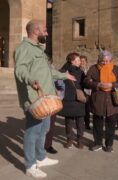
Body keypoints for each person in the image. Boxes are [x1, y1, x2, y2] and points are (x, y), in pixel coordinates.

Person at [14, 19, 75, 178]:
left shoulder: (39, 49)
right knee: (32, 132)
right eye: (45, 30)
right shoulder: (24, 48)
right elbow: (20, 70)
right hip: (34, 99)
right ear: (36, 31)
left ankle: (40, 157)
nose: (47, 33)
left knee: (44, 129)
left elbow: (48, 71)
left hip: (47, 97)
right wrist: (29, 80)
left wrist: (64, 75)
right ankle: (30, 165)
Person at [84, 50, 118, 152]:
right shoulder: (94, 68)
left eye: (107, 61)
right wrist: (98, 84)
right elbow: (87, 81)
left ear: (110, 60)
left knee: (111, 124)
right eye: (103, 61)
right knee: (97, 123)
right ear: (100, 60)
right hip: (98, 99)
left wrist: (112, 85)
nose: (105, 63)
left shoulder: (116, 69)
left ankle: (109, 144)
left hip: (112, 101)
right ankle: (97, 143)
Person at [59, 52, 86, 149]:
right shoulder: (63, 71)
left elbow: (84, 83)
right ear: (72, 61)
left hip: (78, 98)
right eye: (78, 60)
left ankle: (80, 140)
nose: (80, 62)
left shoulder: (81, 71)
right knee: (69, 121)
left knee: (80, 121)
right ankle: (69, 140)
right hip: (68, 98)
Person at [80, 55, 92, 130]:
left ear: (86, 62)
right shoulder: (78, 70)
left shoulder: (89, 70)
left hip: (89, 91)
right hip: (81, 91)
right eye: (81, 61)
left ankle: (87, 123)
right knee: (82, 108)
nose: (82, 62)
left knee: (87, 109)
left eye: (83, 61)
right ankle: (82, 123)